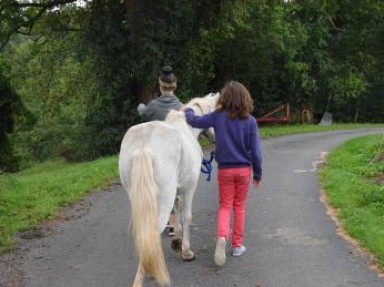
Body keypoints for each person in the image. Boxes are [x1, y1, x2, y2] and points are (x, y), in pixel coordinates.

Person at [184, 81, 263, 267]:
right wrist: (258, 174)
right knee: (240, 206)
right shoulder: (251, 122)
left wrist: (188, 110)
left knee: (225, 206)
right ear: (245, 99)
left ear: (224, 98)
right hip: (244, 170)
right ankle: (237, 245)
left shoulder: (218, 117)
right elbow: (257, 153)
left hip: (225, 170)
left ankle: (221, 237)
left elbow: (195, 121)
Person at [137, 65, 182, 236]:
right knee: (174, 187)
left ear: (160, 86)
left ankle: (155, 221)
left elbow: (143, 114)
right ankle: (173, 223)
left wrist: (141, 107)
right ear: (175, 86)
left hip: (155, 153)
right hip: (174, 154)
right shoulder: (181, 107)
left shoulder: (153, 107)